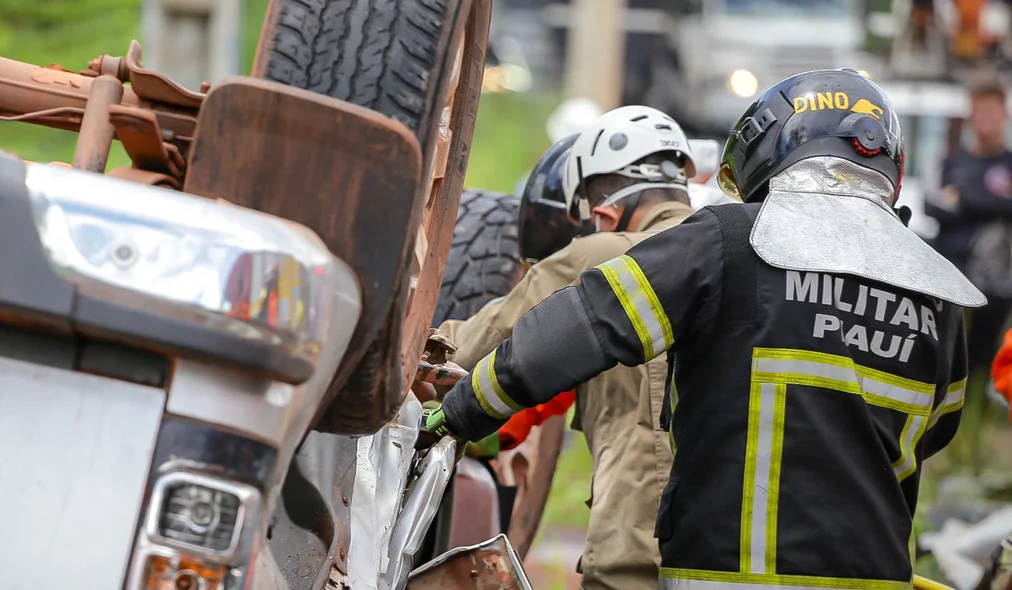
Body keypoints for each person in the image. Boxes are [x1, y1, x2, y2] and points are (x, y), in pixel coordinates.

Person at [424, 68, 987, 588]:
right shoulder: (938, 294)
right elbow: (936, 431)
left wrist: (459, 411)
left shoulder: (728, 240)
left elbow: (586, 321)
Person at [439, 104, 696, 590]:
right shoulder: (731, 255)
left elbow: (467, 347)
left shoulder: (601, 256)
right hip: (726, 556)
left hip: (634, 553)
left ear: (604, 210)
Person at [926, 79, 1012, 372]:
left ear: (1005, 115)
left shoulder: (1008, 163)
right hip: (951, 271)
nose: (986, 119)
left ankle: (979, 410)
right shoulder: (954, 161)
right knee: (946, 352)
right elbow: (933, 206)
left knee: (983, 356)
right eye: (980, 111)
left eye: (993, 111)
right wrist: (990, 202)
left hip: (996, 282)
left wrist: (965, 199)